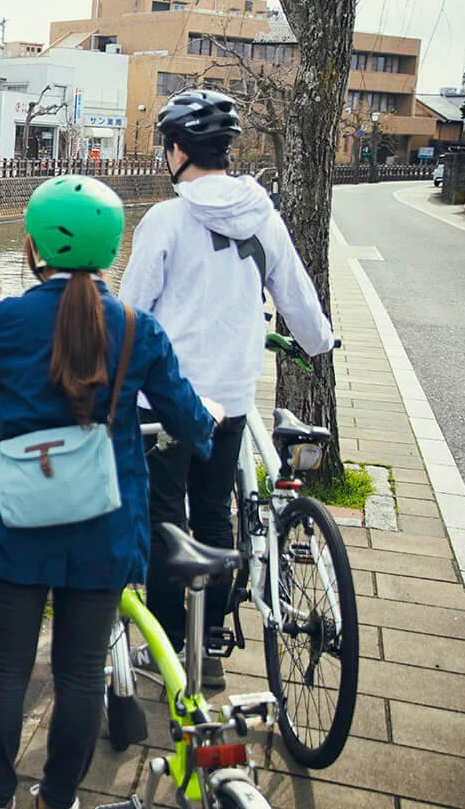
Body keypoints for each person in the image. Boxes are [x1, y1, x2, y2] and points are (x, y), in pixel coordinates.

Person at [0, 176, 215, 809]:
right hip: (102, 525)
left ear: (32, 248)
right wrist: (212, 425)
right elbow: (191, 419)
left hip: (18, 518)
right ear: (114, 250)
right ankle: (59, 799)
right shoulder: (137, 328)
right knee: (81, 674)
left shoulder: (9, 319)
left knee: (4, 668)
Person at [120, 89, 334, 687]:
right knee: (214, 509)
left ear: (178, 150)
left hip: (165, 401)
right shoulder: (262, 215)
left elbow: (132, 311)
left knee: (167, 515)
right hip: (231, 397)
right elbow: (296, 294)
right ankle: (210, 642)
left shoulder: (167, 219)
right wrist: (320, 342)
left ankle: (166, 648)